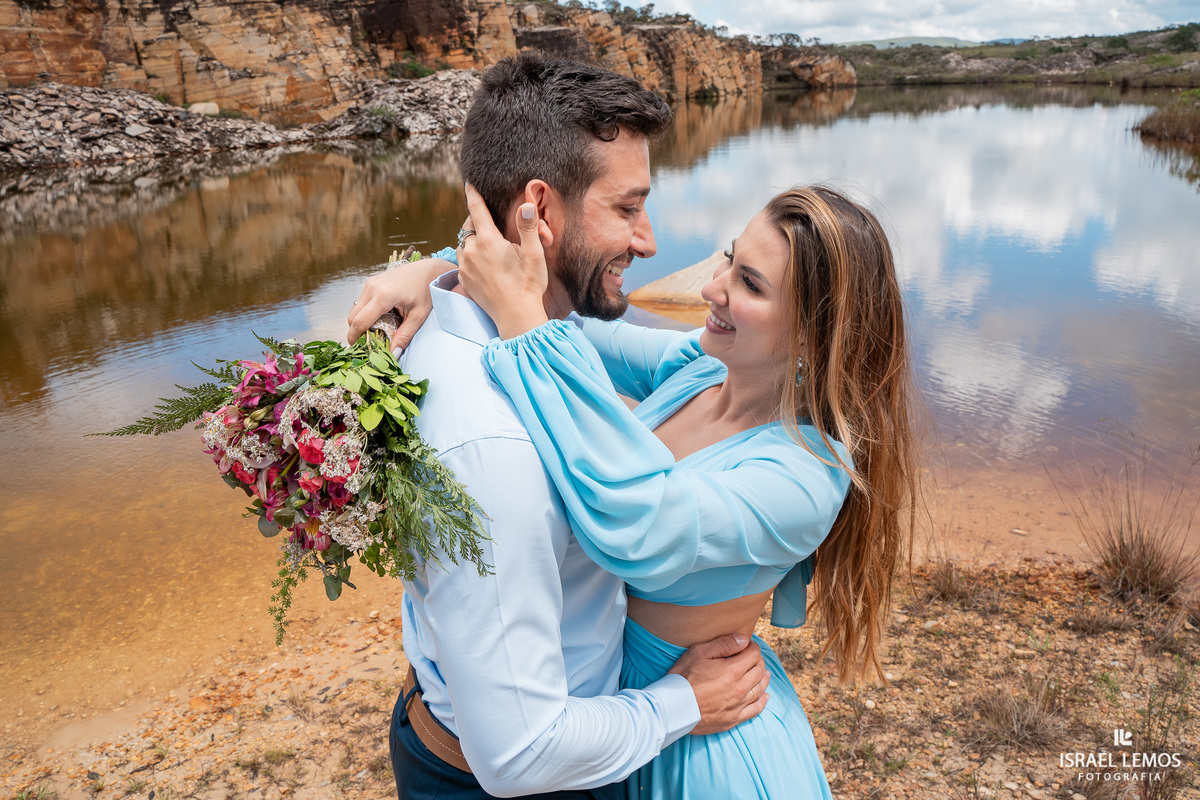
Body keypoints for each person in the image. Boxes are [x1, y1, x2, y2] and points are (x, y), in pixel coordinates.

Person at [369, 182, 918, 798]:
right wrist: (448, 270)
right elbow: (566, 321)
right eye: (729, 260)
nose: (712, 289)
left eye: (751, 285)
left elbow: (638, 522)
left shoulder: (806, 472)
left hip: (705, 744)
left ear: (818, 335)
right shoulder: (703, 367)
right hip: (626, 723)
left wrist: (521, 319)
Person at [346, 53, 770, 800]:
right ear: (537, 210)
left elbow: (693, 361)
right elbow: (522, 754)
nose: (649, 242)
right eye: (628, 208)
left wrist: (441, 261)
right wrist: (687, 703)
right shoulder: (496, 446)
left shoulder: (493, 323)